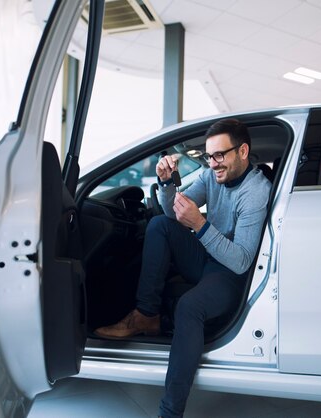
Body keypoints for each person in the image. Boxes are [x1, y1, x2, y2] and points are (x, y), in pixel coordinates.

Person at [95, 118, 271, 418]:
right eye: (208, 155)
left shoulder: (256, 192)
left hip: (230, 274)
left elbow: (241, 261)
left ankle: (170, 412)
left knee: (189, 307)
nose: (212, 163)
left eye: (219, 155)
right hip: (207, 256)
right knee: (160, 225)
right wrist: (167, 184)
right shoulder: (211, 175)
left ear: (242, 151)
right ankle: (146, 315)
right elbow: (172, 212)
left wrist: (200, 225)